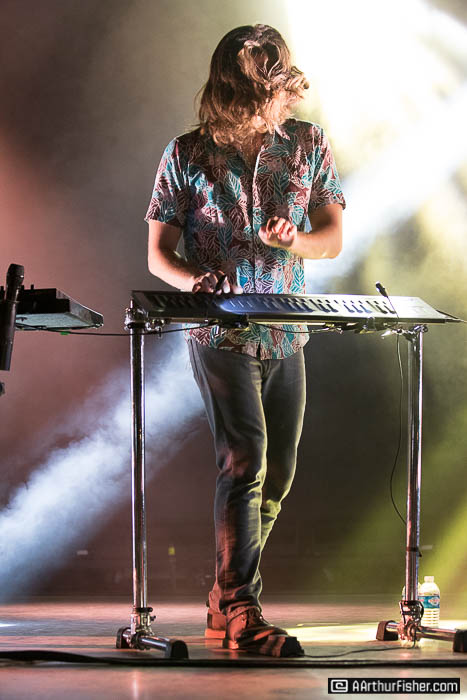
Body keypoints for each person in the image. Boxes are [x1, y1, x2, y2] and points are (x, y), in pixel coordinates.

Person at [145, 24, 345, 656]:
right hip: (220, 333)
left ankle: (223, 597)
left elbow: (332, 237)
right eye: (250, 86)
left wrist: (296, 240)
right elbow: (157, 253)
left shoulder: (307, 142)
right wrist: (192, 279)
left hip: (287, 331)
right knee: (245, 462)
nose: (262, 99)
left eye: (270, 85)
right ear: (227, 85)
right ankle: (240, 608)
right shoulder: (186, 152)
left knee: (277, 474)